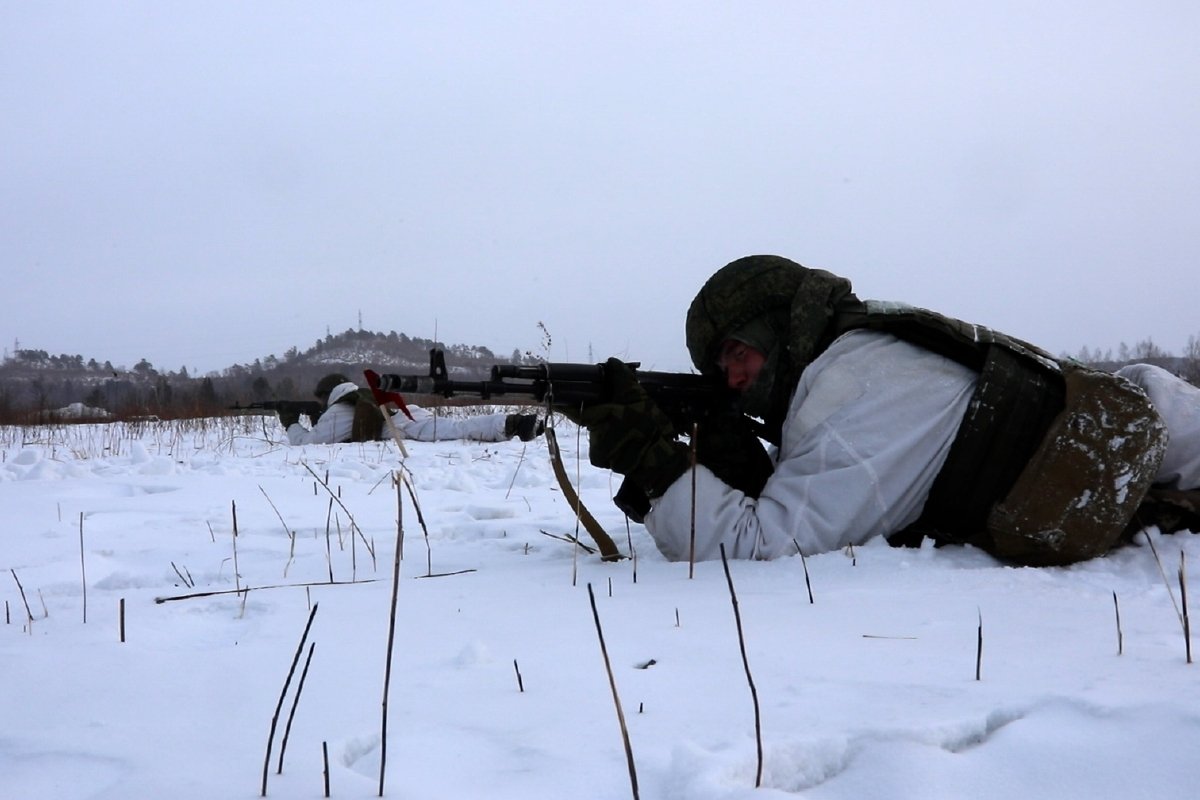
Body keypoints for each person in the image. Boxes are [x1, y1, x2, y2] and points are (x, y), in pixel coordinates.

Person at [575, 255, 1200, 566]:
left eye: (737, 352)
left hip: (1121, 449)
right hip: (1131, 421)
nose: (731, 378)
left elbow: (758, 549)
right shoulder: (863, 349)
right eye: (718, 370)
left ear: (777, 329)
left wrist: (652, 461)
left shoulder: (844, 395)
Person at [280, 373, 544, 446]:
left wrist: (290, 422)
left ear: (329, 395)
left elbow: (308, 443)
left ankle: (515, 423)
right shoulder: (356, 397)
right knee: (457, 427)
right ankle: (516, 423)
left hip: (404, 425)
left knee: (457, 430)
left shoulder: (339, 411)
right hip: (408, 418)